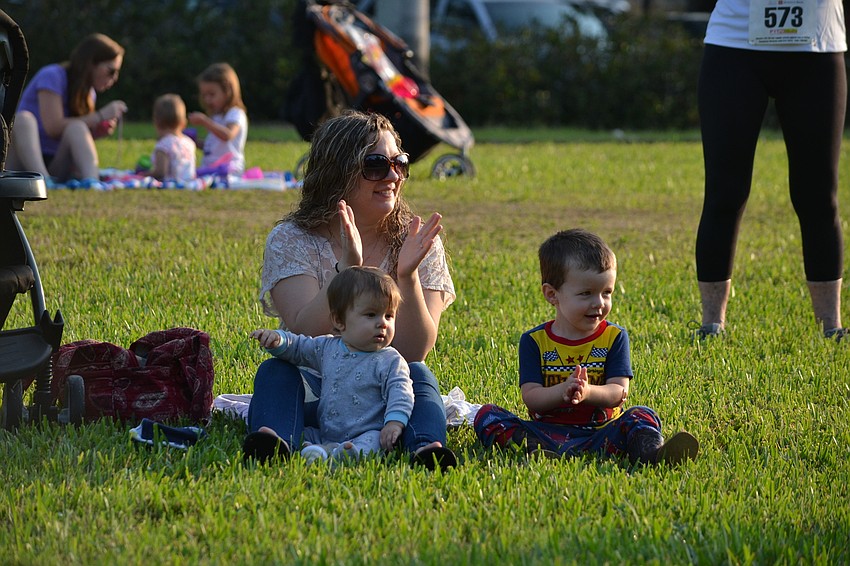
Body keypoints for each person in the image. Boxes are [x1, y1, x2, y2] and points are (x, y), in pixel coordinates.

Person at [243, 110, 457, 470]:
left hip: (389, 395)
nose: (392, 176)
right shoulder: (292, 239)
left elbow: (413, 350)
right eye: (375, 164)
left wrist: (406, 276)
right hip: (318, 392)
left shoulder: (416, 241)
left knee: (419, 374)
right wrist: (348, 269)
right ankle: (275, 440)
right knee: (276, 372)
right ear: (337, 172)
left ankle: (425, 449)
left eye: (398, 163)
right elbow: (302, 331)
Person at [474, 229, 699, 465]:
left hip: (603, 435)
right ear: (552, 294)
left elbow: (619, 392)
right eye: (586, 294)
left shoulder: (614, 337)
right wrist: (563, 391)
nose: (599, 303)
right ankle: (536, 451)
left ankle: (651, 455)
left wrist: (588, 392)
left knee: (641, 415)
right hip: (547, 433)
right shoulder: (534, 341)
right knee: (487, 415)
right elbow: (532, 397)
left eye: (607, 293)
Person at [694, 0, 847, 341]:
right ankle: (711, 325)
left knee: (819, 197)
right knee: (724, 194)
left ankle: (832, 327)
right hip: (734, 46)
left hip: (817, 45)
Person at [250, 266, 414, 464]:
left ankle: (347, 456)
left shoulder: (391, 360)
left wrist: (394, 423)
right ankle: (301, 446)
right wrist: (279, 340)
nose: (383, 323)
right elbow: (300, 348)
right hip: (327, 430)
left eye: (389, 315)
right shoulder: (328, 347)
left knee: (373, 443)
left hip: (367, 431)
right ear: (339, 320)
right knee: (303, 433)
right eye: (371, 315)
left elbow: (401, 392)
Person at [6, 33, 128, 186]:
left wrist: (95, 132)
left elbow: (71, 130)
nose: (114, 78)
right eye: (111, 71)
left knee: (77, 128)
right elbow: (53, 127)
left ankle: (92, 182)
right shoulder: (52, 76)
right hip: (22, 160)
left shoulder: (89, 93)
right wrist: (99, 115)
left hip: (55, 162)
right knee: (23, 119)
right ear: (91, 63)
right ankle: (43, 182)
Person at [187, 62, 248, 176]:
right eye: (204, 95)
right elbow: (213, 147)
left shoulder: (235, 114)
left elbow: (227, 135)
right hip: (211, 167)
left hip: (229, 169)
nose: (207, 100)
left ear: (228, 91)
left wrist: (205, 122)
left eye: (212, 94)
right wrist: (193, 142)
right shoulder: (216, 117)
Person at [148, 94, 196, 182]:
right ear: (184, 123)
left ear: (156, 122)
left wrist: (145, 174)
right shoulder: (189, 142)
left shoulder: (163, 145)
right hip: (189, 181)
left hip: (172, 183)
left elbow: (160, 173)